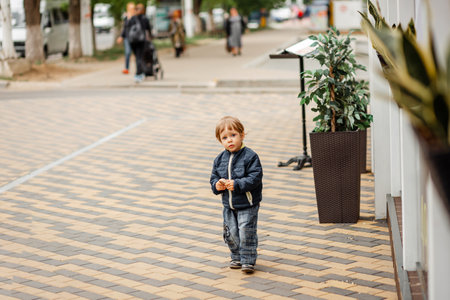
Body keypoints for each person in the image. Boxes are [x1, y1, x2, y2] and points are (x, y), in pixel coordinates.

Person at [210, 116, 263, 274]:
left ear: (242, 135)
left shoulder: (250, 156)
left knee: (246, 230)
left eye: (233, 135)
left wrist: (238, 184)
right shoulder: (219, 159)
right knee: (231, 232)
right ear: (220, 141)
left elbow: (255, 177)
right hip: (229, 205)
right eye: (225, 138)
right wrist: (217, 185)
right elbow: (213, 178)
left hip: (247, 203)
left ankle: (248, 260)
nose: (229, 140)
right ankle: (236, 256)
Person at [128, 3, 152, 82]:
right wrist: (150, 38)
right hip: (141, 41)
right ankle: (139, 73)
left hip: (133, 41)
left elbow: (127, 29)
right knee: (140, 57)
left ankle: (139, 73)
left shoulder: (132, 18)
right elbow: (148, 30)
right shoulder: (144, 18)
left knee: (137, 57)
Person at [116, 2, 135, 74]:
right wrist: (121, 36)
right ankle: (126, 68)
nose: (132, 10)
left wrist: (131, 18)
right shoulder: (126, 17)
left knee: (137, 54)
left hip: (135, 38)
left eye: (133, 8)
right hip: (127, 38)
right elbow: (125, 28)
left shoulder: (135, 17)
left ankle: (139, 69)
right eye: (130, 8)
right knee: (127, 53)